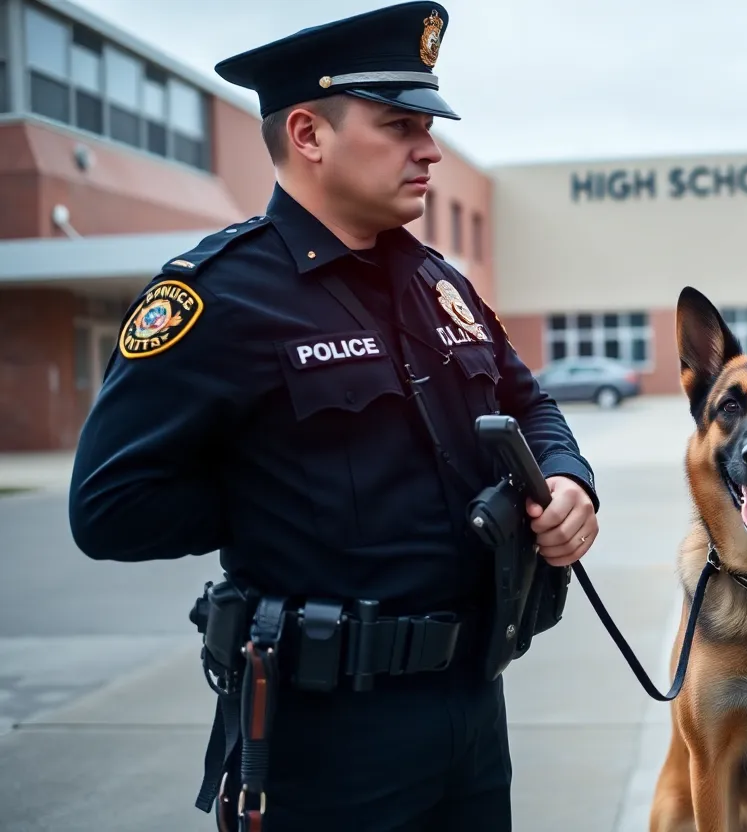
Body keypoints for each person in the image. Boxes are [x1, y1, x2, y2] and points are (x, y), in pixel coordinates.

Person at [67, 4, 599, 830]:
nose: (429, 149)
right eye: (400, 126)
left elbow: (526, 400)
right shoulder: (217, 297)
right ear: (309, 134)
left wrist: (568, 479)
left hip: (470, 704)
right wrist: (274, 490)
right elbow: (108, 509)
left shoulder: (436, 282)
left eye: (428, 125)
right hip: (327, 734)